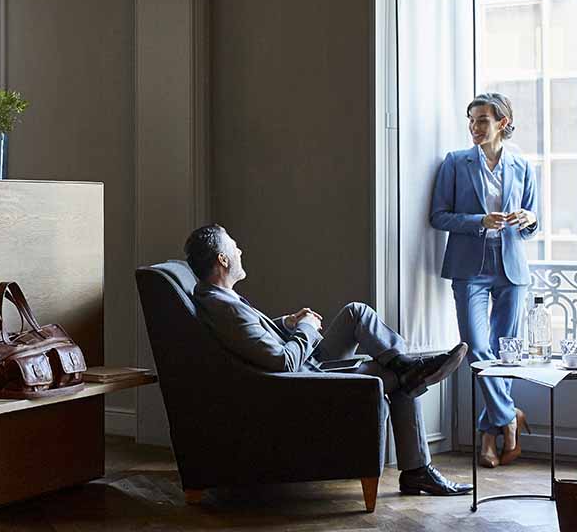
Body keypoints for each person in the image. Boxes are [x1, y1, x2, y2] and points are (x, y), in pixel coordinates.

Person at [183, 224, 472, 496]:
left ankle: (406, 366)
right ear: (222, 259)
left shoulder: (215, 297)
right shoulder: (223, 307)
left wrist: (288, 322)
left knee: (357, 313)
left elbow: (250, 336)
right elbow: (283, 363)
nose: (240, 251)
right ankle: (417, 464)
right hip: (299, 380)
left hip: (302, 363)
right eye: (234, 247)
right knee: (400, 379)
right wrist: (307, 328)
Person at [429, 92, 540, 469]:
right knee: (478, 350)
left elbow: (531, 222)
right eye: (471, 120)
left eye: (482, 121)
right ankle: (509, 417)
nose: (474, 128)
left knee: (504, 354)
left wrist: (528, 220)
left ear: (502, 123)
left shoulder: (522, 164)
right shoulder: (455, 163)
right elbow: (438, 216)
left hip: (511, 267)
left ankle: (489, 438)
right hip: (468, 266)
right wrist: (478, 221)